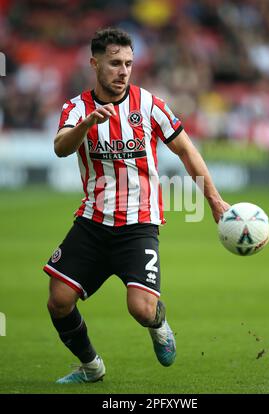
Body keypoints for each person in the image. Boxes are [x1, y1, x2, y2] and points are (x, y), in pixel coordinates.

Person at [43, 27, 230, 384]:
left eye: (128, 63)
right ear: (94, 64)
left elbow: (187, 151)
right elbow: (61, 147)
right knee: (59, 300)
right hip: (92, 222)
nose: (123, 71)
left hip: (139, 224)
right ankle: (91, 366)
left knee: (141, 309)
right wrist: (86, 125)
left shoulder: (149, 105)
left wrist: (214, 199)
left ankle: (159, 324)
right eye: (115, 63)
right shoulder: (76, 108)